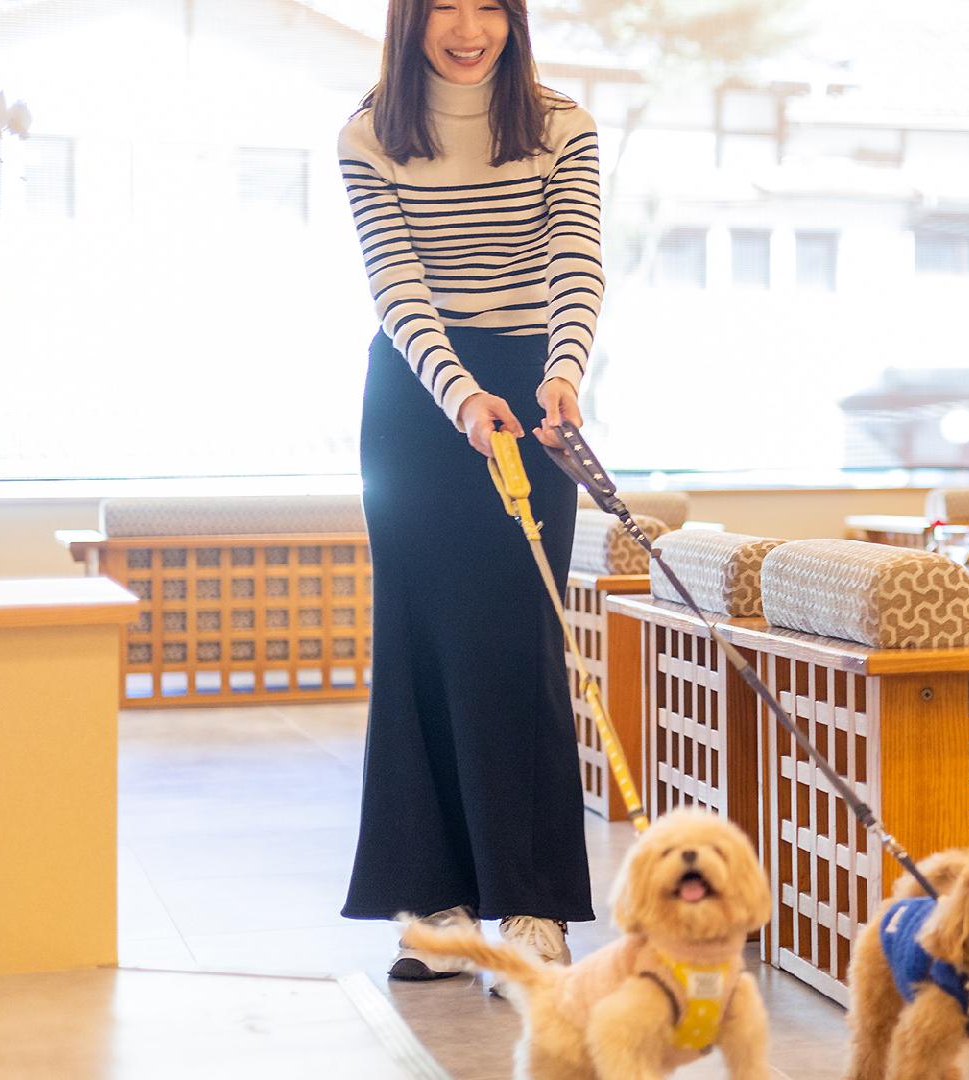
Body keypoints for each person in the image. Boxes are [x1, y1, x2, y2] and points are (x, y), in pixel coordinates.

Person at [336, 0, 605, 988]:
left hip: (535, 394)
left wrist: (563, 374)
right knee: (418, 644)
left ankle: (533, 908)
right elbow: (396, 283)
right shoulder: (371, 133)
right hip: (417, 399)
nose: (467, 26)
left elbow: (575, 263)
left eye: (488, 4)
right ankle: (438, 912)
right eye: (444, 4)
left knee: (518, 646)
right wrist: (458, 394)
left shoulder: (560, 124)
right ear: (410, 18)